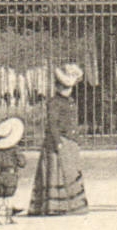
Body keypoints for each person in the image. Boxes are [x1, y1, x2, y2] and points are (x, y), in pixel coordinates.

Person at [29, 63, 89, 216]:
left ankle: (71, 204)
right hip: (60, 141)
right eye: (63, 86)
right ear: (57, 86)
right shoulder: (54, 102)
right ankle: (56, 205)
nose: (66, 90)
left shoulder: (69, 101)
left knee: (70, 172)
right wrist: (57, 142)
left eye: (68, 87)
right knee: (58, 172)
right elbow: (52, 124)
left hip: (70, 140)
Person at [0, 118, 26, 225]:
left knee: (1, 196)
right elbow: (22, 162)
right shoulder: (15, 150)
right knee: (9, 197)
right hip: (11, 174)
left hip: (0, 174)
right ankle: (8, 218)